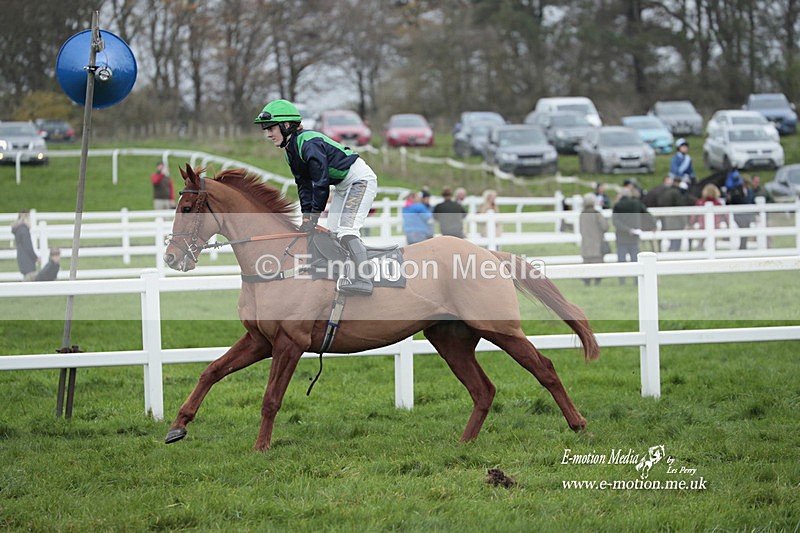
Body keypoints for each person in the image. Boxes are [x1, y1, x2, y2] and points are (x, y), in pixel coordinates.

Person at [255, 99, 378, 295]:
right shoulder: (290, 152)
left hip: (360, 181)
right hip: (343, 185)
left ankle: (365, 279)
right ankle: (343, 273)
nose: (268, 134)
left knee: (347, 230)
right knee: (334, 232)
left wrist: (313, 216)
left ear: (287, 125)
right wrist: (307, 216)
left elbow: (320, 184)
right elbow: (304, 186)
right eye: (266, 129)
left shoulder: (308, 142)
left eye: (271, 128)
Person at [612, 188, 650, 284]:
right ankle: (636, 280)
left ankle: (622, 281)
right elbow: (646, 214)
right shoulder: (637, 203)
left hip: (622, 238)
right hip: (634, 238)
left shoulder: (618, 205)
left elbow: (615, 221)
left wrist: (627, 229)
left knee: (621, 261)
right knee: (635, 260)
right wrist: (652, 225)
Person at [11, 210, 60, 281]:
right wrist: (35, 258)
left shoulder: (18, 230)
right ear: (26, 218)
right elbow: (28, 247)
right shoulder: (24, 231)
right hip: (28, 262)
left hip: (22, 261)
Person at [579, 193, 609, 286]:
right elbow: (605, 227)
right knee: (597, 262)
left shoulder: (582, 214)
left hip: (586, 243)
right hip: (597, 243)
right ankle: (597, 281)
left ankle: (586, 281)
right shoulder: (596, 214)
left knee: (586, 262)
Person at [656, 176, 689, 252]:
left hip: (666, 220)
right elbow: (680, 208)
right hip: (676, 221)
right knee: (676, 242)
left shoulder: (665, 192)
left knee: (671, 240)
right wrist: (685, 222)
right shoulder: (677, 193)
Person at [689, 183, 725, 251]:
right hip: (715, 226)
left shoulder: (700, 202)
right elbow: (725, 215)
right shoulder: (718, 203)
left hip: (703, 225)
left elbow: (694, 215)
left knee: (700, 243)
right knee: (714, 244)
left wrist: (691, 223)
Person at [725, 170, 755, 249]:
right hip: (738, 214)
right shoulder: (736, 190)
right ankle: (742, 246)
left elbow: (752, 201)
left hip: (747, 215)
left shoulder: (749, 191)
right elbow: (730, 201)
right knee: (743, 226)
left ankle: (743, 246)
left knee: (746, 228)